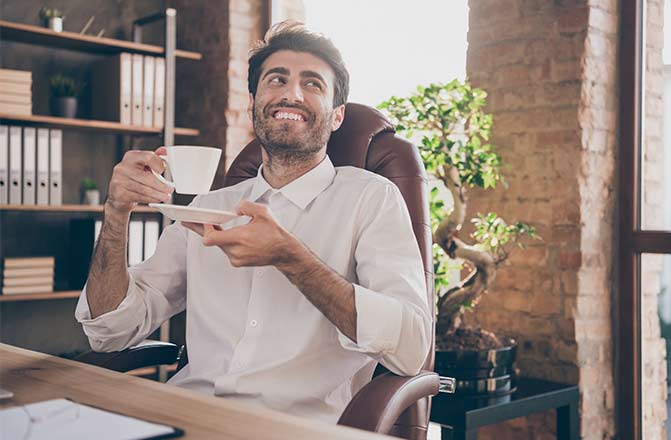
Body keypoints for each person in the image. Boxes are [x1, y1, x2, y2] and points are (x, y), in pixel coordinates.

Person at [75, 21, 430, 423]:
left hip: (296, 430)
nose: (291, 94)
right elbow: (108, 332)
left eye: (312, 84)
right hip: (186, 418)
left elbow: (412, 347)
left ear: (336, 116)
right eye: (277, 79)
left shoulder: (372, 198)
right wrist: (116, 212)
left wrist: (291, 257)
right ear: (253, 102)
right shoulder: (207, 209)